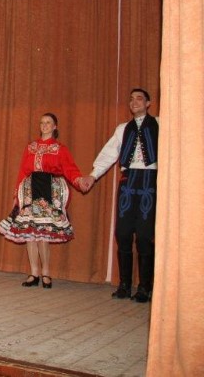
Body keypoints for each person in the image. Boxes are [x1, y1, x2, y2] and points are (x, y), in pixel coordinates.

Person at [78, 88, 158, 303]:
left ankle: (145, 287)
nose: (134, 102)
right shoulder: (122, 129)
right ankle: (124, 285)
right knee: (123, 234)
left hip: (150, 182)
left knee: (144, 236)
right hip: (128, 182)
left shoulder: (160, 124)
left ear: (148, 103)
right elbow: (109, 153)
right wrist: (93, 175)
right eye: (131, 99)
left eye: (139, 98)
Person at [0, 113, 87, 289]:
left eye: (48, 122)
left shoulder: (60, 149)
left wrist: (79, 181)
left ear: (55, 127)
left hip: (49, 191)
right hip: (30, 189)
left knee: (43, 234)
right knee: (29, 233)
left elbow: (70, 169)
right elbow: (23, 171)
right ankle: (34, 273)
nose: (44, 125)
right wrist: (17, 195)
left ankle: (46, 272)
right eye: (42, 122)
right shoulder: (31, 147)